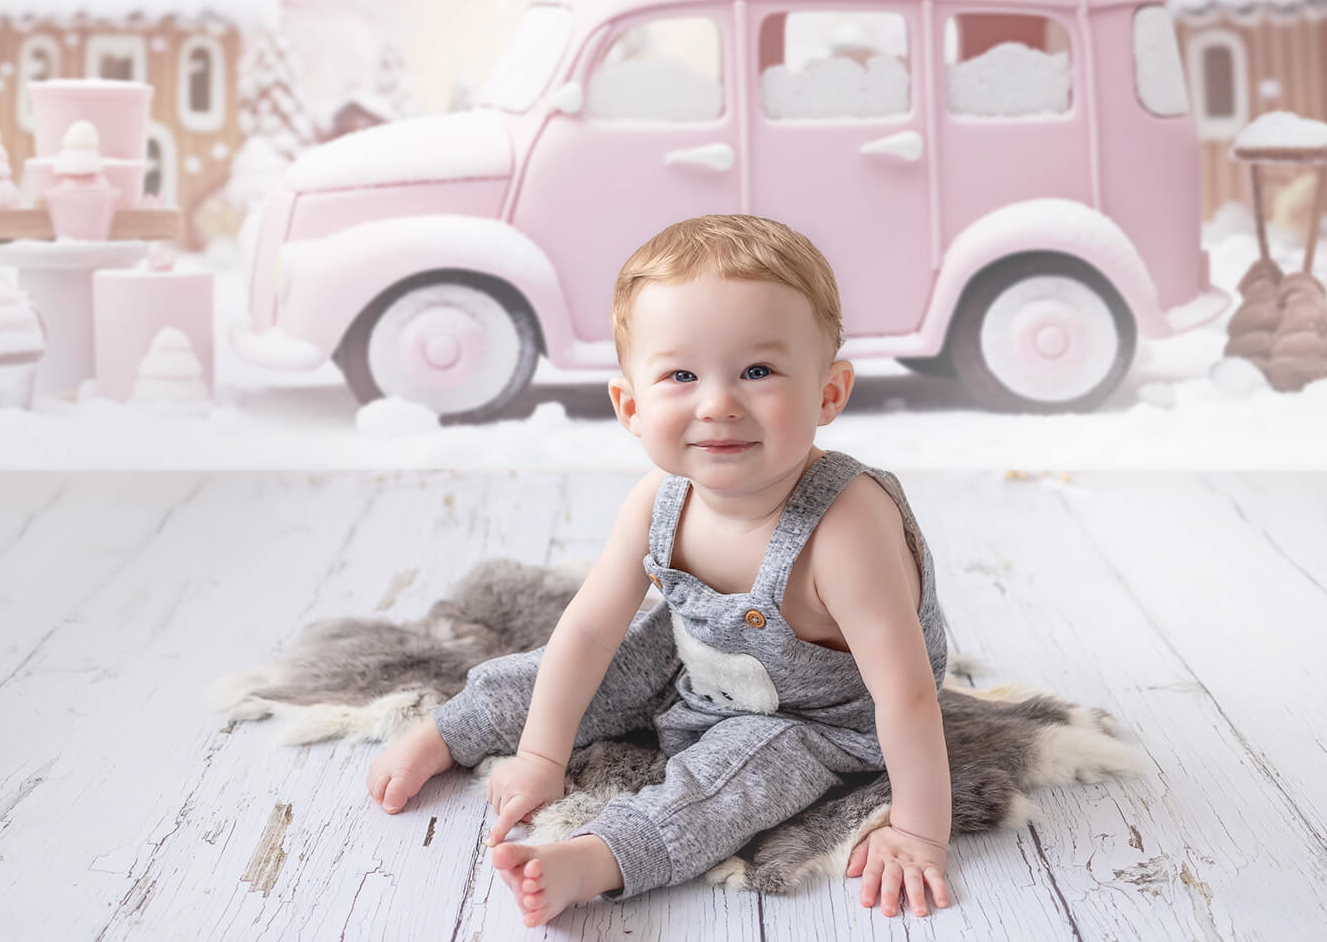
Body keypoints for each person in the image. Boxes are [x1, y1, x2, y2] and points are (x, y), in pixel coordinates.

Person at [366, 214, 952, 926]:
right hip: (698, 661)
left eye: (758, 371)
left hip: (824, 716)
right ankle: (455, 728)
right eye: (681, 375)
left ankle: (600, 859)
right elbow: (586, 632)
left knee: (738, 776)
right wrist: (542, 757)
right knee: (592, 662)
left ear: (829, 393)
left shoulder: (845, 528)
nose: (718, 403)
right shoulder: (660, 501)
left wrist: (919, 830)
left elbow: (908, 698)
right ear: (632, 406)